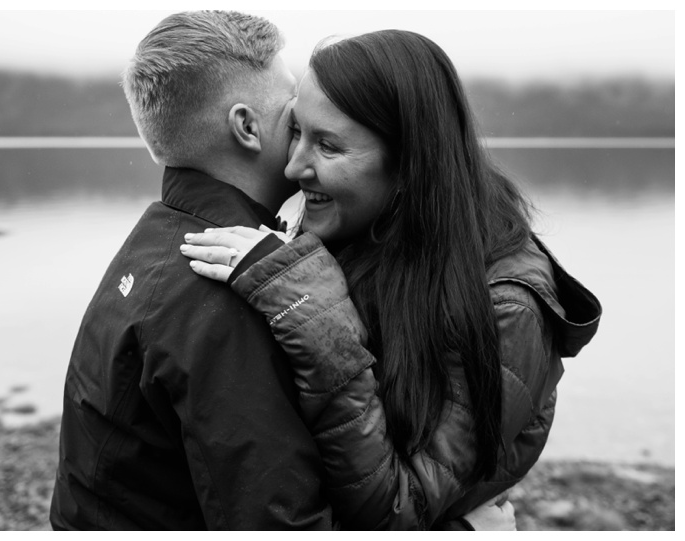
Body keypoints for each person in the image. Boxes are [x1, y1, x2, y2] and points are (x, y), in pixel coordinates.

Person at [181, 29, 603, 529]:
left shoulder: (507, 309)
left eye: (328, 146)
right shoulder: (359, 228)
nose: (294, 167)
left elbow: (395, 512)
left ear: (408, 165)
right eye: (296, 130)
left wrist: (315, 312)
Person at [49, 11, 333, 530]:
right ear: (247, 127)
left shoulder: (155, 241)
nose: (306, 121)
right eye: (292, 108)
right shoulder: (232, 287)